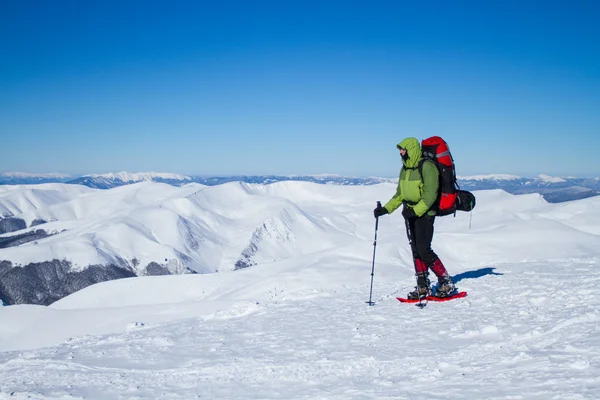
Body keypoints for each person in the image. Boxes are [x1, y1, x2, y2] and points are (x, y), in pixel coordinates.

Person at [373, 137, 456, 299]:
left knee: (424, 249)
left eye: (403, 150)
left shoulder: (427, 167)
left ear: (411, 149)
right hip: (409, 212)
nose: (401, 153)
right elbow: (400, 195)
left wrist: (416, 211)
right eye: (400, 150)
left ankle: (446, 282)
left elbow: (430, 194)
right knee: (416, 249)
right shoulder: (404, 169)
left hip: (425, 213)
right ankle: (423, 286)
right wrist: (385, 209)